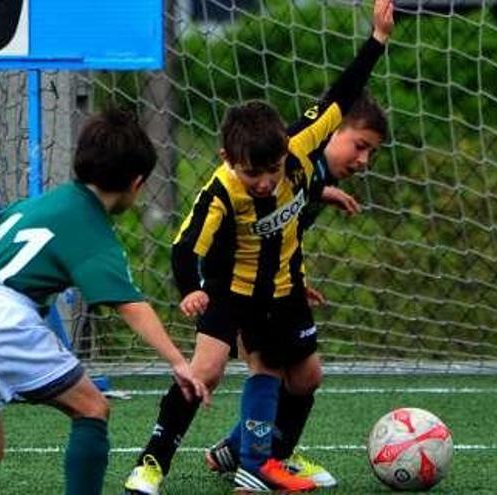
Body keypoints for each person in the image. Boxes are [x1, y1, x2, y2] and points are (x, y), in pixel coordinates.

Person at [123, 1, 393, 493]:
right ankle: (152, 463)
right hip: (232, 289)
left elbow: (342, 93)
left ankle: (261, 456)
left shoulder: (298, 146)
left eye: (273, 172)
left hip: (284, 287)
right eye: (253, 174)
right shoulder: (221, 189)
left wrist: (376, 39)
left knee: (307, 377)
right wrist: (189, 290)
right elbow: (185, 246)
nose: (266, 183)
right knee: (206, 369)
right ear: (230, 159)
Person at [0, 108, 210, 495]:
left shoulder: (29, 207)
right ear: (137, 182)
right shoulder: (90, 224)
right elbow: (129, 304)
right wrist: (179, 362)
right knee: (92, 409)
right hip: (4, 318)